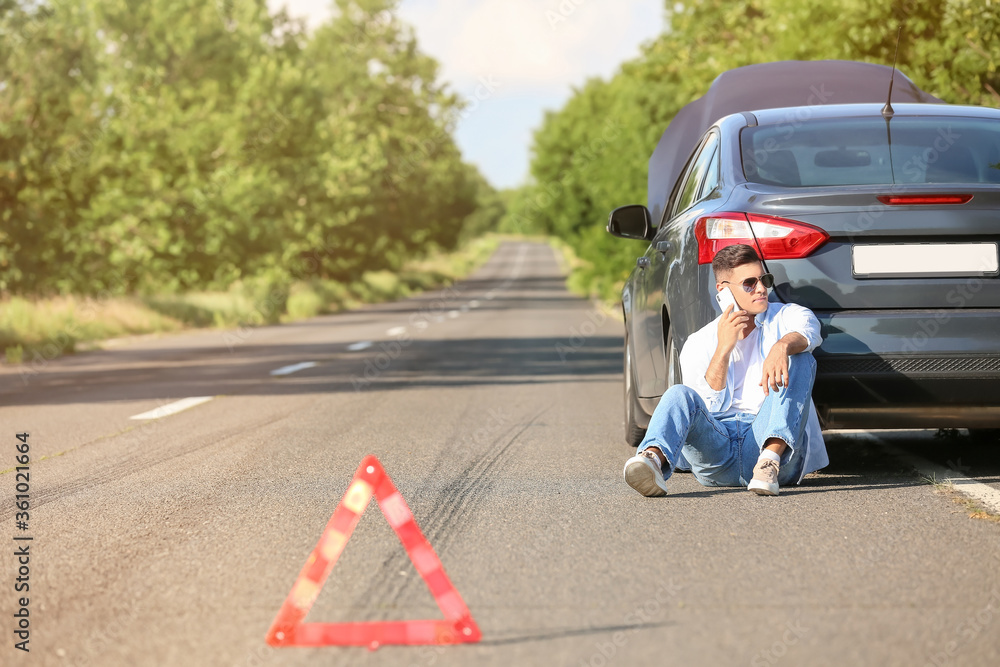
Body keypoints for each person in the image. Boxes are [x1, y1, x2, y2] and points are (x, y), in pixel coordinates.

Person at [623, 244, 827, 497]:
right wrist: (723, 349)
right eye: (749, 283)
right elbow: (707, 409)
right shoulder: (699, 342)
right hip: (717, 452)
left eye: (764, 280)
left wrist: (782, 346)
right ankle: (652, 461)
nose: (762, 288)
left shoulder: (787, 316)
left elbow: (810, 331)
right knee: (678, 393)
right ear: (724, 291)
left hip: (770, 446)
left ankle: (769, 462)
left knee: (800, 359)